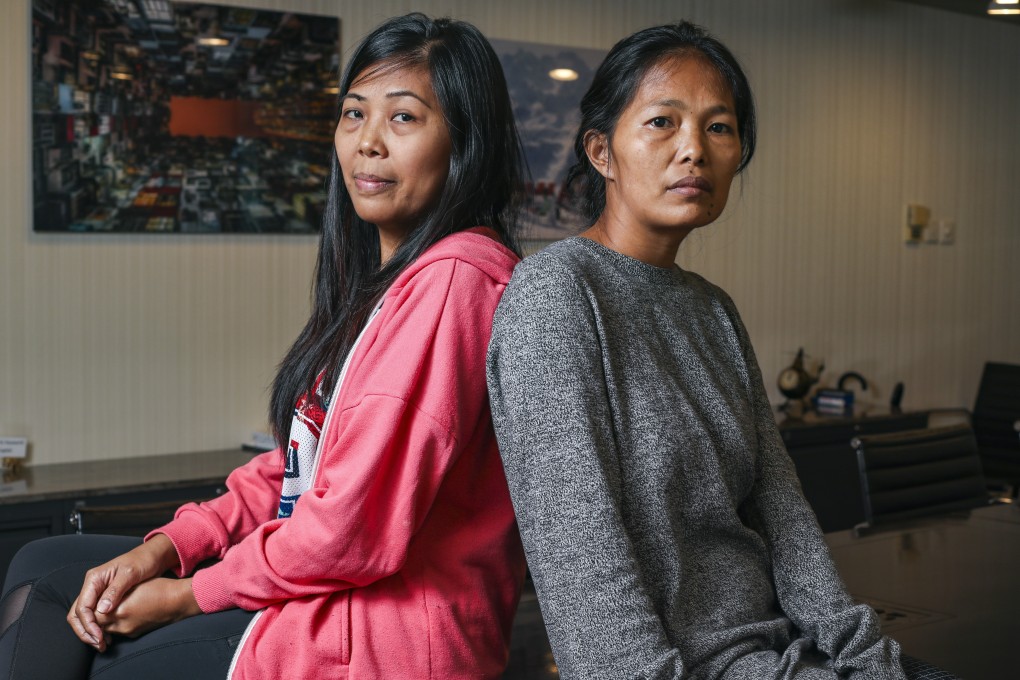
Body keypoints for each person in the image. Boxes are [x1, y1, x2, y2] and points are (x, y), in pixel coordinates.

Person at [1, 13, 527, 680]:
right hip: (321, 599)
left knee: (48, 602)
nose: (367, 143)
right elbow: (301, 461)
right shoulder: (389, 282)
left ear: (464, 140)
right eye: (353, 114)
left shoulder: (455, 282)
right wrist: (169, 546)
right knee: (40, 563)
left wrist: (187, 596)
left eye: (403, 119)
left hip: (374, 642)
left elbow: (347, 533)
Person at [486, 21, 911, 679]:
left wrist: (861, 654)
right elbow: (578, 551)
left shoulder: (712, 309)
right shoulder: (555, 294)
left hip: (778, 652)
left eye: (720, 127)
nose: (694, 150)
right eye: (662, 122)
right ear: (601, 151)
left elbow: (783, 512)